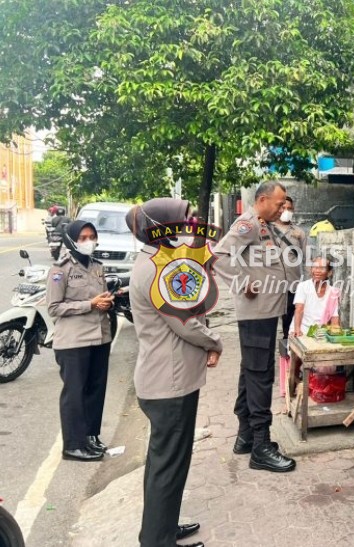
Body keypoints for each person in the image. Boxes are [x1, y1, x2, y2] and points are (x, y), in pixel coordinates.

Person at [126, 198, 223, 547]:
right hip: (169, 385)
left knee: (164, 464)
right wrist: (215, 343)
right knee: (167, 467)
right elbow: (186, 322)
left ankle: (160, 529)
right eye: (184, 219)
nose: (190, 224)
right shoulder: (156, 269)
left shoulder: (154, 262)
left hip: (164, 381)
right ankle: (157, 540)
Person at [213, 181, 296, 473]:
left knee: (250, 370)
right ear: (262, 199)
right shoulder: (247, 224)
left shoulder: (265, 224)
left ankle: (246, 436)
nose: (282, 207)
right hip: (256, 311)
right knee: (261, 374)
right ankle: (261, 445)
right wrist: (242, 282)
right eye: (278, 202)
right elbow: (218, 257)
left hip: (267, 310)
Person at [46, 220, 114, 462]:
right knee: (75, 393)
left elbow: (101, 296)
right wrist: (90, 304)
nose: (88, 241)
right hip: (73, 342)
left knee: (96, 390)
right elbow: (54, 307)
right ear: (73, 240)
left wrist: (107, 301)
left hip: (100, 337)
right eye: (83, 237)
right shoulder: (60, 269)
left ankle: (90, 437)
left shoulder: (97, 266)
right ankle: (73, 445)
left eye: (92, 236)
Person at [274, 196, 307, 341]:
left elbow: (306, 258)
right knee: (270, 318)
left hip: (292, 283)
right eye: (284, 208)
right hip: (271, 283)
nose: (286, 211)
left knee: (290, 316)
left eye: (290, 209)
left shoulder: (299, 232)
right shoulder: (267, 230)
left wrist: (307, 283)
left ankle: (288, 345)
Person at [289, 257, 340, 337]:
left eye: (322, 268)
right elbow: (299, 309)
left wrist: (336, 334)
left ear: (329, 273)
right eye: (314, 267)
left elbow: (334, 317)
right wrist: (297, 330)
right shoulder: (303, 286)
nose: (317, 271)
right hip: (302, 331)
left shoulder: (333, 292)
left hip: (321, 334)